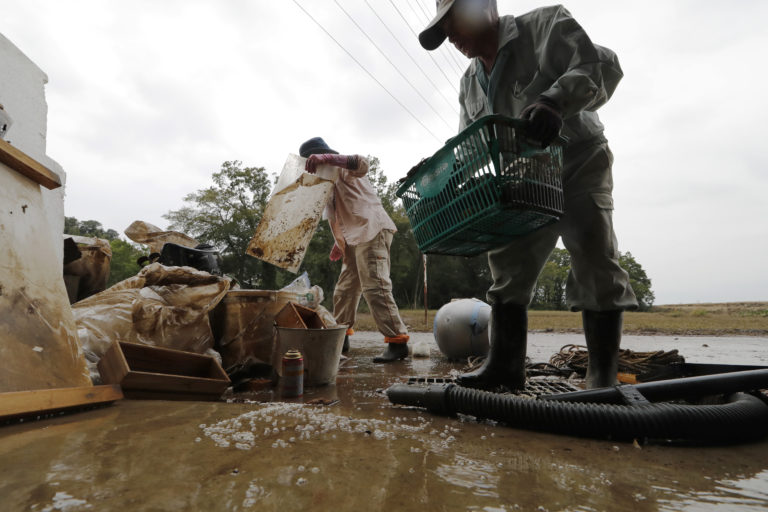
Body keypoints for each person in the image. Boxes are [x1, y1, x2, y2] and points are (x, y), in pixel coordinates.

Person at [418, 1, 638, 389]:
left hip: (578, 158)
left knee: (593, 253)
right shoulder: (471, 81)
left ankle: (602, 375)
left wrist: (555, 101)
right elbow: (473, 145)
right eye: (443, 30)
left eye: (452, 21)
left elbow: (601, 65)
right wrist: (445, 177)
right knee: (509, 262)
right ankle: (504, 367)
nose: (450, 35)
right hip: (527, 172)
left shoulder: (544, 25)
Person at [299, 137, 410, 363]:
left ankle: (397, 342)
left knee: (375, 285)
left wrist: (328, 158)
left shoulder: (341, 168)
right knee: (344, 290)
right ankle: (341, 337)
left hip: (372, 229)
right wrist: (338, 242)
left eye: (315, 162)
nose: (314, 168)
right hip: (353, 239)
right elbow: (337, 216)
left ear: (322, 157)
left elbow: (363, 163)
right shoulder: (326, 184)